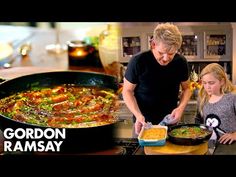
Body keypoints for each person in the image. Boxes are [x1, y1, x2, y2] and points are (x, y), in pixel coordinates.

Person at [122, 23, 192, 137]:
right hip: (143, 124)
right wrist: (138, 115)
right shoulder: (138, 61)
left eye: (171, 53)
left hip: (171, 123)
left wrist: (180, 108)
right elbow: (127, 91)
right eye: (161, 53)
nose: (166, 59)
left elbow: (187, 88)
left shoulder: (181, 62)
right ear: (153, 44)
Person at [195, 63, 236, 144]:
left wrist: (235, 135)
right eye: (204, 83)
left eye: (211, 83)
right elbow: (198, 121)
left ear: (222, 82)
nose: (207, 87)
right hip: (209, 145)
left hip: (230, 146)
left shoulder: (232, 98)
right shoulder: (203, 98)